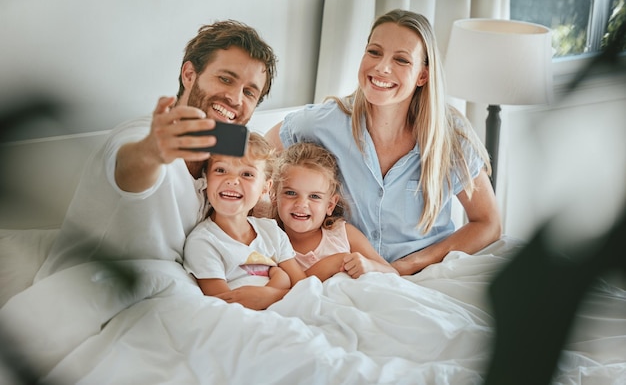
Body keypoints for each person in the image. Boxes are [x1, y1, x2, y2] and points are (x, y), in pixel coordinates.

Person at [34, 20, 287, 309]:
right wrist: (153, 151)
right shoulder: (140, 135)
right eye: (226, 79)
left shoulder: (219, 166)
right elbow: (129, 169)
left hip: (162, 297)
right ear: (190, 74)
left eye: (249, 92)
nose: (235, 98)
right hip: (87, 293)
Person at [266, 9, 502, 276]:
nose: (381, 68)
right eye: (374, 52)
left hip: (428, 274)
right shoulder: (322, 123)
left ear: (423, 75)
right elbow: (260, 156)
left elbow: (488, 223)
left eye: (401, 60)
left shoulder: (450, 136)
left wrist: (408, 266)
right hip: (350, 275)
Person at [183, 133, 305, 309]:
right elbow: (223, 304)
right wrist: (278, 284)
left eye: (247, 174)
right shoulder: (203, 242)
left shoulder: (271, 232)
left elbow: (304, 288)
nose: (232, 180)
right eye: (221, 170)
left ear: (265, 187)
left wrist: (270, 295)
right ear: (207, 179)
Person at [271, 142, 398, 281]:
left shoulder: (342, 234)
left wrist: (369, 266)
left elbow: (392, 273)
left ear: (330, 205)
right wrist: (334, 262)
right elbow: (291, 289)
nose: (301, 204)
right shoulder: (269, 242)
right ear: (274, 196)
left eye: (314, 196)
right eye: (290, 193)